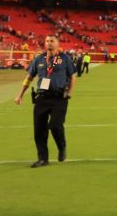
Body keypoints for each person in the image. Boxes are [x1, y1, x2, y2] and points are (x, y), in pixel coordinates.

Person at [13, 34, 77, 167]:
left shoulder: (65, 58)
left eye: (52, 41)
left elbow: (72, 76)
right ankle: (43, 158)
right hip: (42, 97)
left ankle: (61, 147)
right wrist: (20, 95)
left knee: (55, 125)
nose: (49, 43)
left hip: (59, 97)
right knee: (39, 129)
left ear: (58, 43)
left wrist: (69, 93)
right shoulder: (39, 59)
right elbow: (29, 77)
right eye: (47, 41)